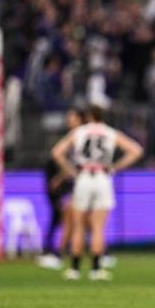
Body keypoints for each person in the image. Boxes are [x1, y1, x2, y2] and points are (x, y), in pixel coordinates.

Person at [51, 105, 143, 281]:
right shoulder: (110, 132)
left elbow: (57, 152)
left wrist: (70, 170)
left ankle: (75, 269)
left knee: (78, 225)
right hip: (102, 177)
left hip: (83, 176)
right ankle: (96, 269)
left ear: (88, 116)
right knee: (98, 227)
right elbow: (136, 150)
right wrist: (116, 167)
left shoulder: (79, 132)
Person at [37, 108, 85, 270]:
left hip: (79, 184)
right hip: (81, 182)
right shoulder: (82, 135)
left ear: (80, 119)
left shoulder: (78, 136)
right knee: (74, 219)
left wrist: (62, 176)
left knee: (71, 219)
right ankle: (99, 256)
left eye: (71, 117)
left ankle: (59, 254)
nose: (68, 120)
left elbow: (59, 154)